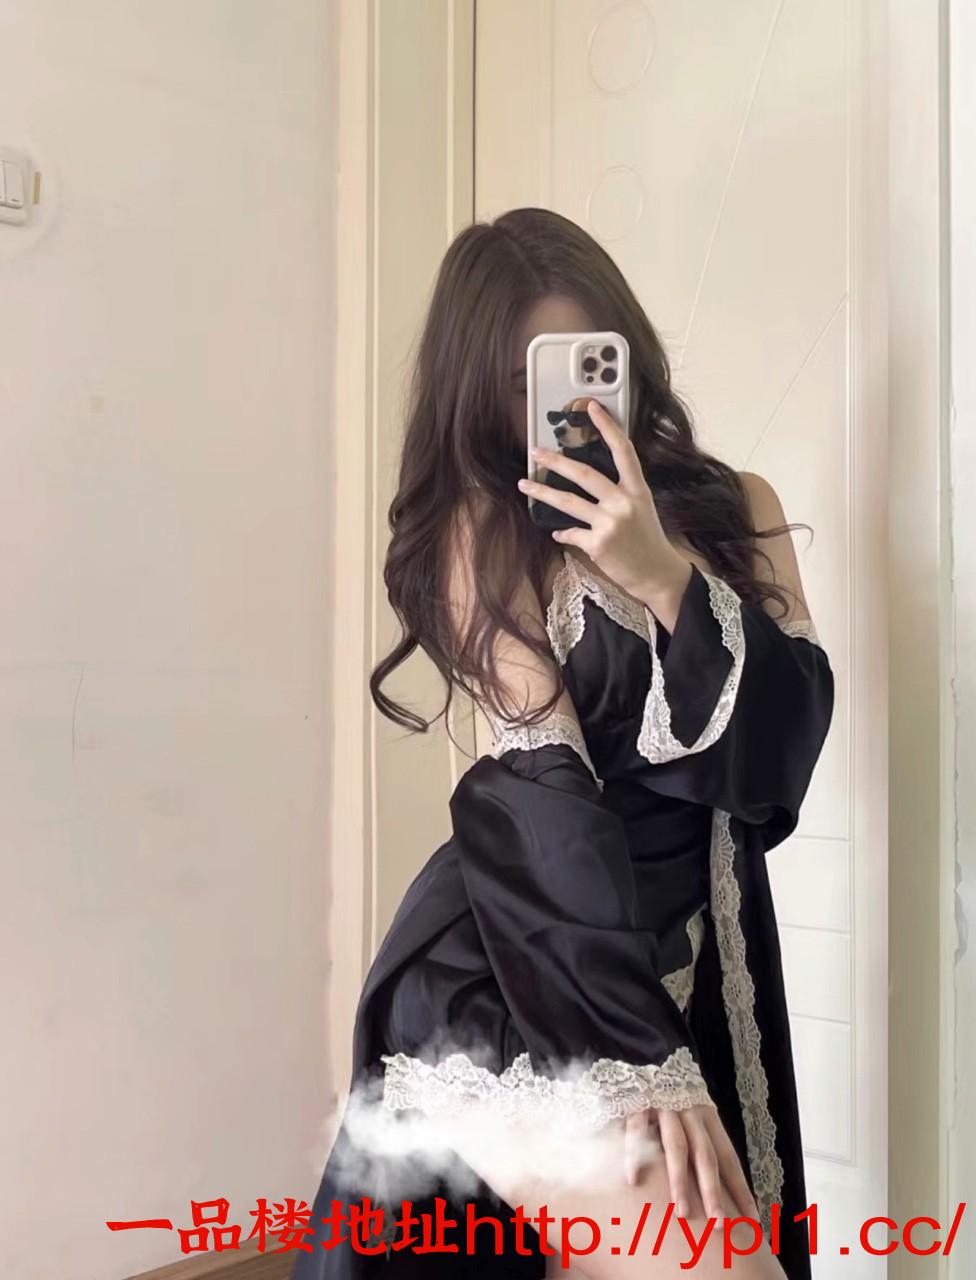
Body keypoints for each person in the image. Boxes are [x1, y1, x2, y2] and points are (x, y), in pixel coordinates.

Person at [289, 208, 834, 1279]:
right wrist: (632, 1051)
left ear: (625, 349)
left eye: (589, 362)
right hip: (526, 967)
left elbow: (787, 749)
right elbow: (543, 793)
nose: (568, 407)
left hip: (708, 952)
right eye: (525, 381)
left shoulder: (741, 505)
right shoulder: (481, 532)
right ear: (478, 392)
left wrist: (663, 575)